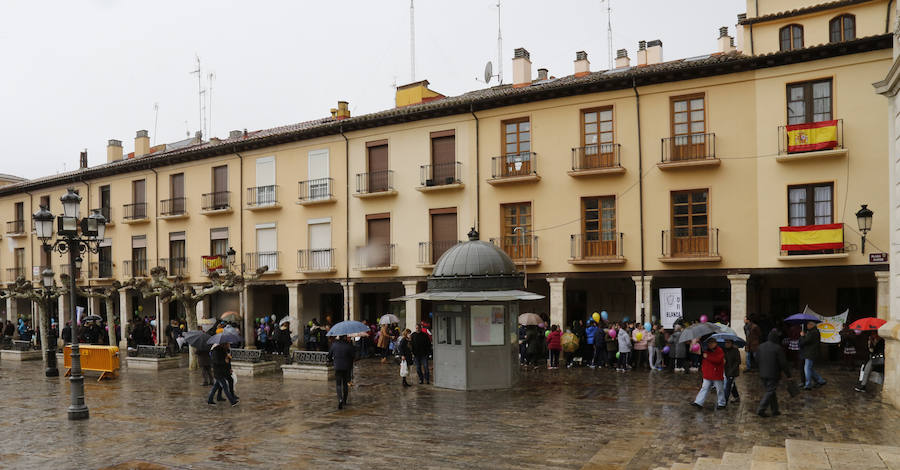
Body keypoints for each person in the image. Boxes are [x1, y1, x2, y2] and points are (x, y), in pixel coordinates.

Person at [757, 329, 791, 417]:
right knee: (770, 391)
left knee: (771, 391)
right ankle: (761, 409)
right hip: (773, 373)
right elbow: (783, 363)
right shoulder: (778, 348)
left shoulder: (761, 346)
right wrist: (788, 374)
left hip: (762, 373)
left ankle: (775, 410)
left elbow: (757, 359)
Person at [691, 337, 726, 410]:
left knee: (719, 389)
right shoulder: (706, 351)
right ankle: (698, 402)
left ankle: (721, 403)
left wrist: (708, 357)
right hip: (708, 374)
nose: (710, 345)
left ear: (715, 343)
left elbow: (718, 360)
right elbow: (704, 361)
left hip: (716, 374)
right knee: (704, 388)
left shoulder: (719, 350)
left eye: (712, 343)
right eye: (709, 343)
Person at [328, 335, 357, 409]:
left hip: (337, 366)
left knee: (338, 384)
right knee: (345, 384)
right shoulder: (349, 345)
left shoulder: (334, 345)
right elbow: (353, 356)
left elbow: (329, 356)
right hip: (346, 367)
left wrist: (332, 360)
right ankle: (344, 400)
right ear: (345, 337)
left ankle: (340, 399)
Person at [799, 320, 826, 390]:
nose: (807, 326)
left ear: (812, 325)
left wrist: (802, 336)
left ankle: (808, 384)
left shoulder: (812, 333)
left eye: (808, 324)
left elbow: (804, 342)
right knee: (810, 368)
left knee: (807, 368)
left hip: (810, 353)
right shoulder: (814, 332)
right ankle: (820, 380)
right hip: (811, 352)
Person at [723, 339, 741, 404]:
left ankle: (724, 401)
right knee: (732, 385)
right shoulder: (724, 350)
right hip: (726, 371)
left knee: (728, 386)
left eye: (728, 342)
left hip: (733, 371)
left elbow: (738, 361)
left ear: (732, 343)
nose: (726, 344)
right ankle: (736, 397)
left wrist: (732, 370)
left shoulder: (735, 350)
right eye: (725, 342)